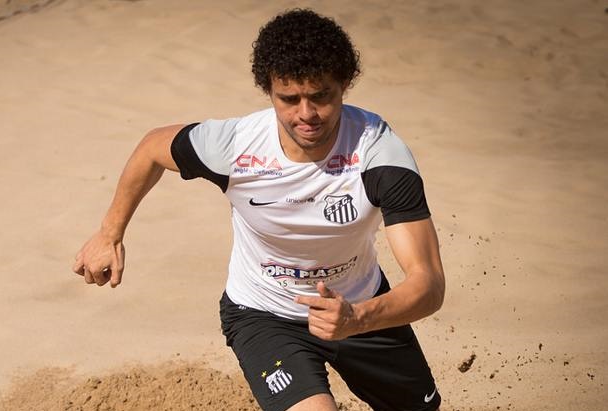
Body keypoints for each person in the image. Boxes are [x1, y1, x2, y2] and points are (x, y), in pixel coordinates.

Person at [72, 8, 445, 411]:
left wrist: (358, 318)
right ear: (268, 89)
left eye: (321, 96)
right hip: (264, 314)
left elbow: (429, 284)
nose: (306, 114)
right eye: (289, 99)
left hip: (359, 307)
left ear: (345, 84)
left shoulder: (379, 154)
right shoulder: (235, 145)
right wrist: (109, 233)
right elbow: (151, 149)